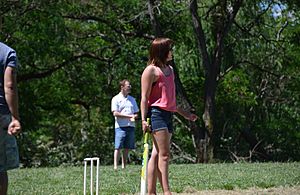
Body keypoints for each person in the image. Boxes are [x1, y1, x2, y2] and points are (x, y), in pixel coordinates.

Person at [140, 38, 198, 195]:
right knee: (164, 155)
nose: (172, 52)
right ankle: (167, 191)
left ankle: (151, 192)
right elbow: (144, 98)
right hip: (156, 114)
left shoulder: (170, 70)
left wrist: (184, 113)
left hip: (168, 114)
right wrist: (144, 120)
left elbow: (169, 100)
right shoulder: (150, 71)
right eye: (169, 49)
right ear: (161, 52)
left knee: (157, 153)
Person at [0, 42, 21, 195]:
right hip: (1, 113)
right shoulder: (7, 52)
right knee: (0, 167)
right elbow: (9, 86)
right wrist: (15, 117)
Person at [111, 79, 139, 170]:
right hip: (120, 126)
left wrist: (134, 116)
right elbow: (115, 113)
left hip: (130, 125)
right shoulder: (116, 99)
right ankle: (115, 166)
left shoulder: (132, 99)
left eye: (130, 86)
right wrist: (128, 116)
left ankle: (124, 165)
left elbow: (136, 113)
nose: (129, 87)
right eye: (128, 86)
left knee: (127, 147)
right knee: (118, 147)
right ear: (122, 87)